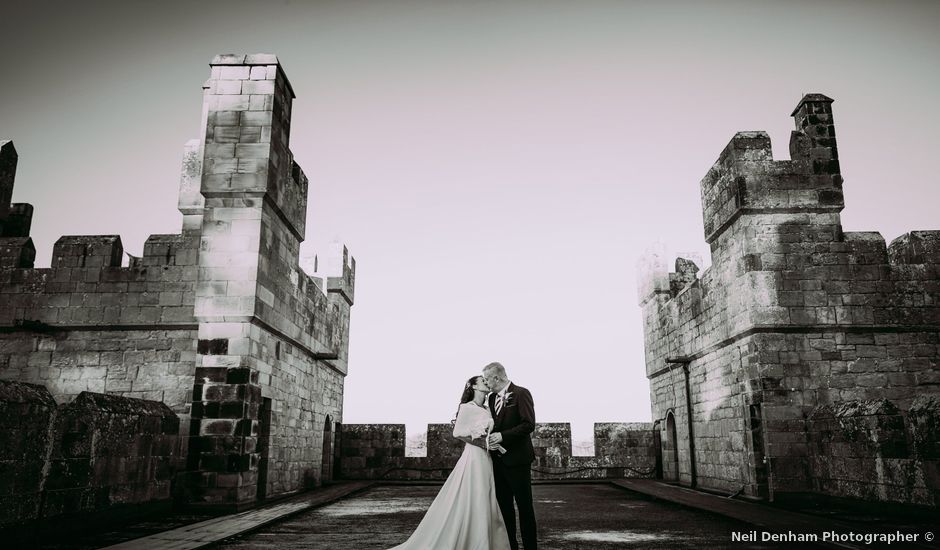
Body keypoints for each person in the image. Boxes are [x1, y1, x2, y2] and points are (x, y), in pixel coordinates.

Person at [389, 375, 511, 550]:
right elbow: (458, 433)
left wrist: (490, 441)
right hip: (475, 456)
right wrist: (483, 444)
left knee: (486, 494)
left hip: (486, 458)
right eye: (482, 381)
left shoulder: (487, 407)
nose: (486, 382)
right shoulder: (466, 407)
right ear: (473, 387)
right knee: (475, 493)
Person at [483, 362, 537, 550]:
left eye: (487, 379)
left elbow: (528, 424)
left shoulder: (521, 393)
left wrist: (503, 436)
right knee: (504, 508)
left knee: (525, 508)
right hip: (498, 463)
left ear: (496, 378)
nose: (486, 383)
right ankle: (511, 546)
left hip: (518, 461)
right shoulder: (490, 399)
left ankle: (530, 547)